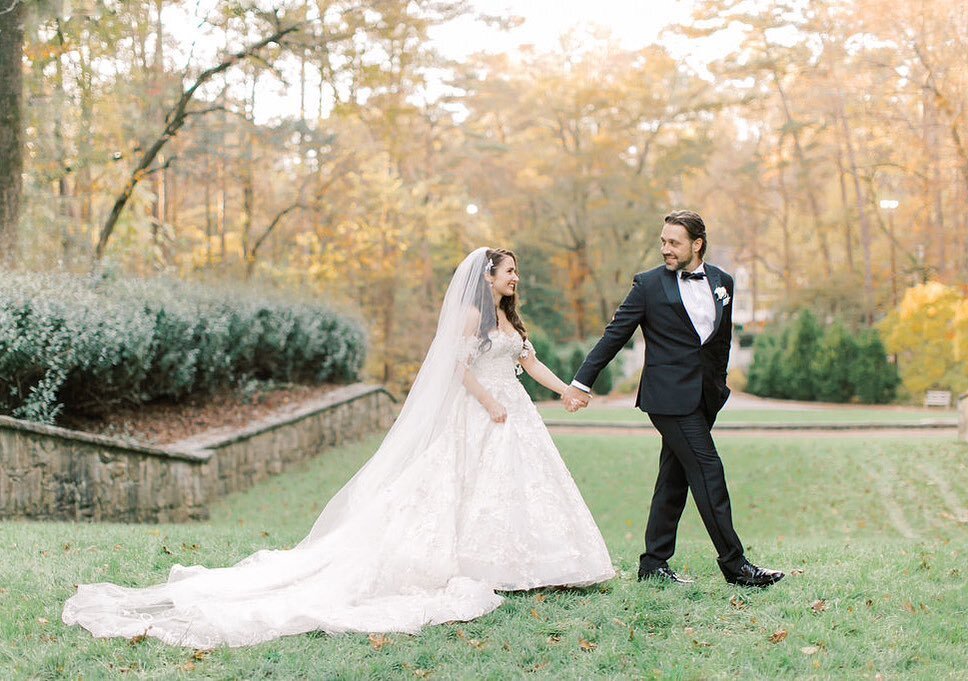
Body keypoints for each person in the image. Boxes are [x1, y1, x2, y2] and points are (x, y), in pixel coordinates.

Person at [63, 247, 614, 648]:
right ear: (487, 276)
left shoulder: (510, 319)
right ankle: (475, 562)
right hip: (482, 412)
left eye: (514, 271)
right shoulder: (472, 314)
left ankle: (530, 562)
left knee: (520, 489)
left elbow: (529, 362)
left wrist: (567, 391)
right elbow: (456, 366)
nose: (516, 277)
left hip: (514, 413)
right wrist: (489, 404)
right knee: (469, 491)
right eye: (509, 270)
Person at [562, 210, 784, 588]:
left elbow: (721, 341)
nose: (665, 248)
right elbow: (615, 335)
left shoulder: (722, 281)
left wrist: (718, 386)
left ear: (697, 244)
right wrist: (582, 382)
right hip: (666, 398)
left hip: (704, 397)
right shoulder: (648, 285)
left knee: (674, 477)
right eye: (663, 241)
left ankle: (653, 563)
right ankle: (736, 566)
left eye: (674, 242)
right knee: (708, 469)